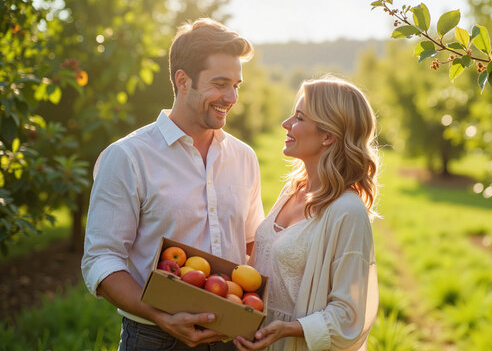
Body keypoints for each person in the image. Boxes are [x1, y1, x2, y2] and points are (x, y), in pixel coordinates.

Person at [81, 18, 264, 350]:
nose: (232, 96)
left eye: (237, 84)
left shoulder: (244, 157)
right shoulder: (128, 157)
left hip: (231, 336)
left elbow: (253, 245)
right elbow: (101, 258)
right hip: (154, 337)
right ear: (183, 80)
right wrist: (158, 314)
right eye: (220, 83)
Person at [233, 76, 380, 351]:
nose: (285, 124)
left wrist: (288, 329)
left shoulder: (347, 212)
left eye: (299, 117)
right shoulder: (293, 189)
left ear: (328, 135)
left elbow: (350, 315)